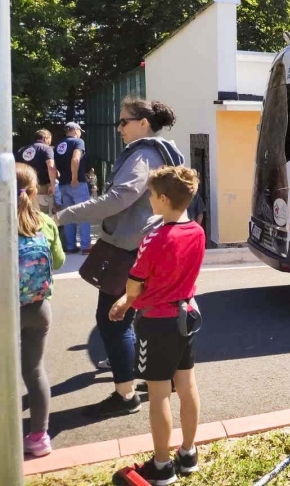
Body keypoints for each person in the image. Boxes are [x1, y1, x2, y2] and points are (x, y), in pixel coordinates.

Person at [55, 98, 184, 418]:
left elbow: (119, 197)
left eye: (124, 122)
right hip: (152, 244)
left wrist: (64, 215)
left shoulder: (142, 153)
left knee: (113, 320)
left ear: (143, 123)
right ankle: (161, 379)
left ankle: (126, 395)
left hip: (130, 251)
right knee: (145, 318)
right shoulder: (163, 151)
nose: (119, 128)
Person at [109, 166, 205, 484]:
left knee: (159, 393)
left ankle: (162, 467)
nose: (149, 200)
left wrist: (124, 302)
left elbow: (135, 284)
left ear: (163, 198)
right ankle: (188, 453)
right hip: (186, 317)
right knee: (187, 387)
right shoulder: (197, 231)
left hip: (157, 322)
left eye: (151, 195)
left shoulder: (157, 238)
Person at [17, 163, 66, 457]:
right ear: (36, 191)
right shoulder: (44, 223)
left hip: (6, 308)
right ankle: (39, 438)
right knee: (34, 371)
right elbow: (58, 262)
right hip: (38, 307)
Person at [56, 122, 92, 254]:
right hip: (76, 183)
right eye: (80, 131)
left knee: (69, 215)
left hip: (63, 184)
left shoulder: (59, 145)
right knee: (84, 213)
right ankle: (86, 246)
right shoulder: (78, 142)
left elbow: (53, 165)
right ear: (76, 131)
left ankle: (70, 246)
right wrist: (74, 178)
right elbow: (76, 159)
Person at [16, 129, 58, 215]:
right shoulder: (47, 149)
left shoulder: (23, 149)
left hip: (25, 189)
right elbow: (51, 166)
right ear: (46, 138)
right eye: (50, 139)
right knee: (44, 215)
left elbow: (16, 168)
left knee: (28, 214)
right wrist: (53, 185)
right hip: (42, 187)